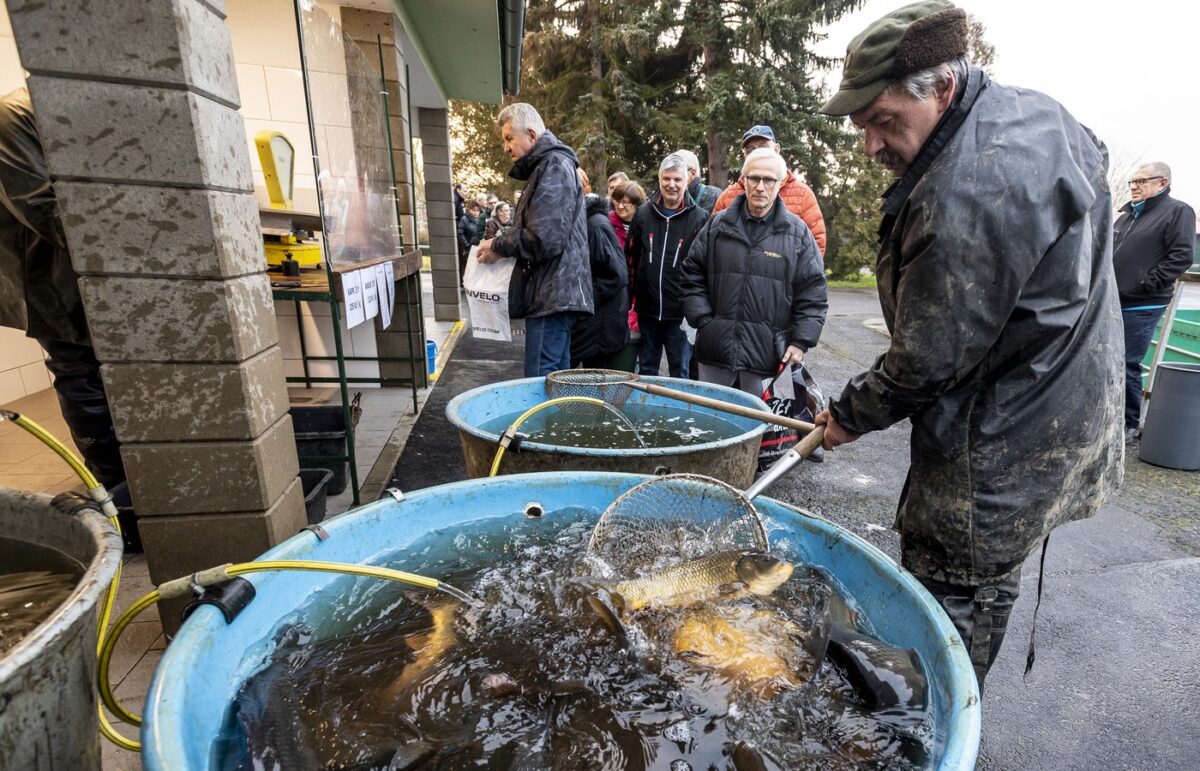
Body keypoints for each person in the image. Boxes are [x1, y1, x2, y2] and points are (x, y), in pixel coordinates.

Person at [813, 0, 1124, 689]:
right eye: (863, 126)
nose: (871, 145)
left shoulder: (968, 193)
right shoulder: (1035, 114)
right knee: (990, 573)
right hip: (1059, 408)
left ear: (944, 88)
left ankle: (939, 729)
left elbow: (925, 358)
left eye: (885, 122)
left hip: (1005, 441)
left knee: (949, 610)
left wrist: (847, 415)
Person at [0, 87, 126, 491]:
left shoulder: (71, 115)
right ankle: (115, 488)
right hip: (47, 273)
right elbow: (42, 207)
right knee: (81, 372)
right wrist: (132, 254)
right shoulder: (13, 116)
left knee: (105, 375)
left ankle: (136, 472)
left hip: (89, 270)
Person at [680, 147, 827, 389]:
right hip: (715, 354)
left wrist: (801, 342)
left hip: (768, 358)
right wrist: (705, 320)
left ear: (779, 184)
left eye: (768, 179)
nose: (760, 186)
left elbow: (813, 292)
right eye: (754, 178)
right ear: (744, 181)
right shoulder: (717, 225)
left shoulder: (798, 234)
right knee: (714, 422)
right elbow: (691, 272)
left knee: (763, 425)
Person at [476, 103, 593, 376]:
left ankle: (545, 422)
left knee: (541, 381)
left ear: (531, 134)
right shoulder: (552, 165)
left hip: (551, 295)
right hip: (557, 293)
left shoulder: (552, 166)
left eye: (509, 138)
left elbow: (543, 239)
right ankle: (555, 421)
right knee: (556, 381)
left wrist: (498, 245)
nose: (506, 148)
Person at [1112, 162, 1196, 442]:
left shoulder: (1177, 211)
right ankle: (1106, 418)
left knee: (1126, 362)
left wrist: (1146, 284)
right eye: (1132, 182)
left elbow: (1181, 256)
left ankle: (1128, 423)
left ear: (1162, 183)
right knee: (1104, 361)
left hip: (1142, 303)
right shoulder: (1126, 217)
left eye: (1141, 181)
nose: (1134, 186)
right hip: (1113, 301)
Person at [625, 153, 709, 378]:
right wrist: (630, 303)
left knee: (680, 373)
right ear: (660, 179)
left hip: (680, 316)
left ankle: (679, 414)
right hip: (647, 311)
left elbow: (704, 268)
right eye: (667, 179)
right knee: (647, 371)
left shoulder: (700, 219)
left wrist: (697, 309)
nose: (672, 185)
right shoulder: (643, 214)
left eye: (677, 180)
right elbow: (631, 261)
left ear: (686, 182)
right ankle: (646, 413)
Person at [711, 125, 827, 256]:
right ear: (744, 155)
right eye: (750, 150)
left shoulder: (802, 194)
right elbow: (711, 241)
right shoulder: (728, 196)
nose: (757, 153)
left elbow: (817, 243)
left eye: (763, 146)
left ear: (777, 149)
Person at [571, 193, 630, 369]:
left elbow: (616, 274)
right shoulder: (590, 222)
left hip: (601, 321)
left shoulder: (595, 225)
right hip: (597, 319)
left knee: (595, 380)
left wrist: (586, 300)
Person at [609, 180, 647, 372]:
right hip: (615, 294)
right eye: (617, 201)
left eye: (626, 202)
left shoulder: (644, 224)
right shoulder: (607, 225)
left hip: (639, 293)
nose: (620, 206)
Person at [674, 149, 721, 215]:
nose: (673, 175)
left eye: (678, 171)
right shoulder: (666, 197)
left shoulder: (713, 195)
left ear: (693, 173)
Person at [457, 199, 481, 275]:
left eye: (477, 211)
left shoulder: (480, 220)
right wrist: (467, 245)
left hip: (479, 248)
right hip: (469, 249)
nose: (475, 213)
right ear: (470, 210)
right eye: (474, 210)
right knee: (470, 270)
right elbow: (460, 233)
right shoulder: (464, 219)